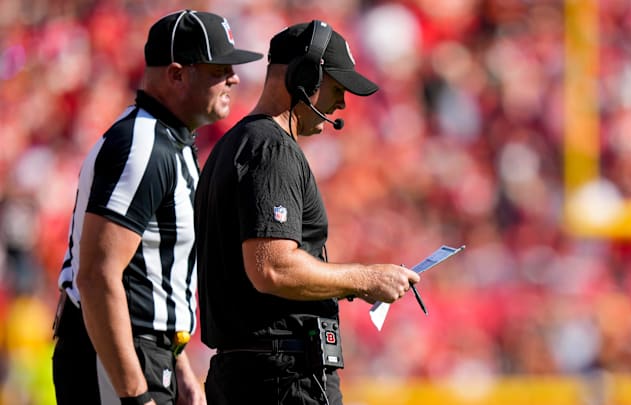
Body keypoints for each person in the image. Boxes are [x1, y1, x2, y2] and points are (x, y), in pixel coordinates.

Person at [195, 20, 421, 405]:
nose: (342, 103)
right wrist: (365, 279)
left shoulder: (234, 145)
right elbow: (272, 267)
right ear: (304, 77)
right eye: (336, 87)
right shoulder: (272, 148)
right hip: (282, 378)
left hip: (251, 375)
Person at [51, 9, 262, 405]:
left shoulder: (171, 143)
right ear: (177, 74)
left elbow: (148, 276)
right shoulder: (142, 143)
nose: (233, 78)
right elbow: (97, 275)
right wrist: (135, 393)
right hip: (115, 358)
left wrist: (178, 364)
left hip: (142, 355)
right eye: (218, 68)